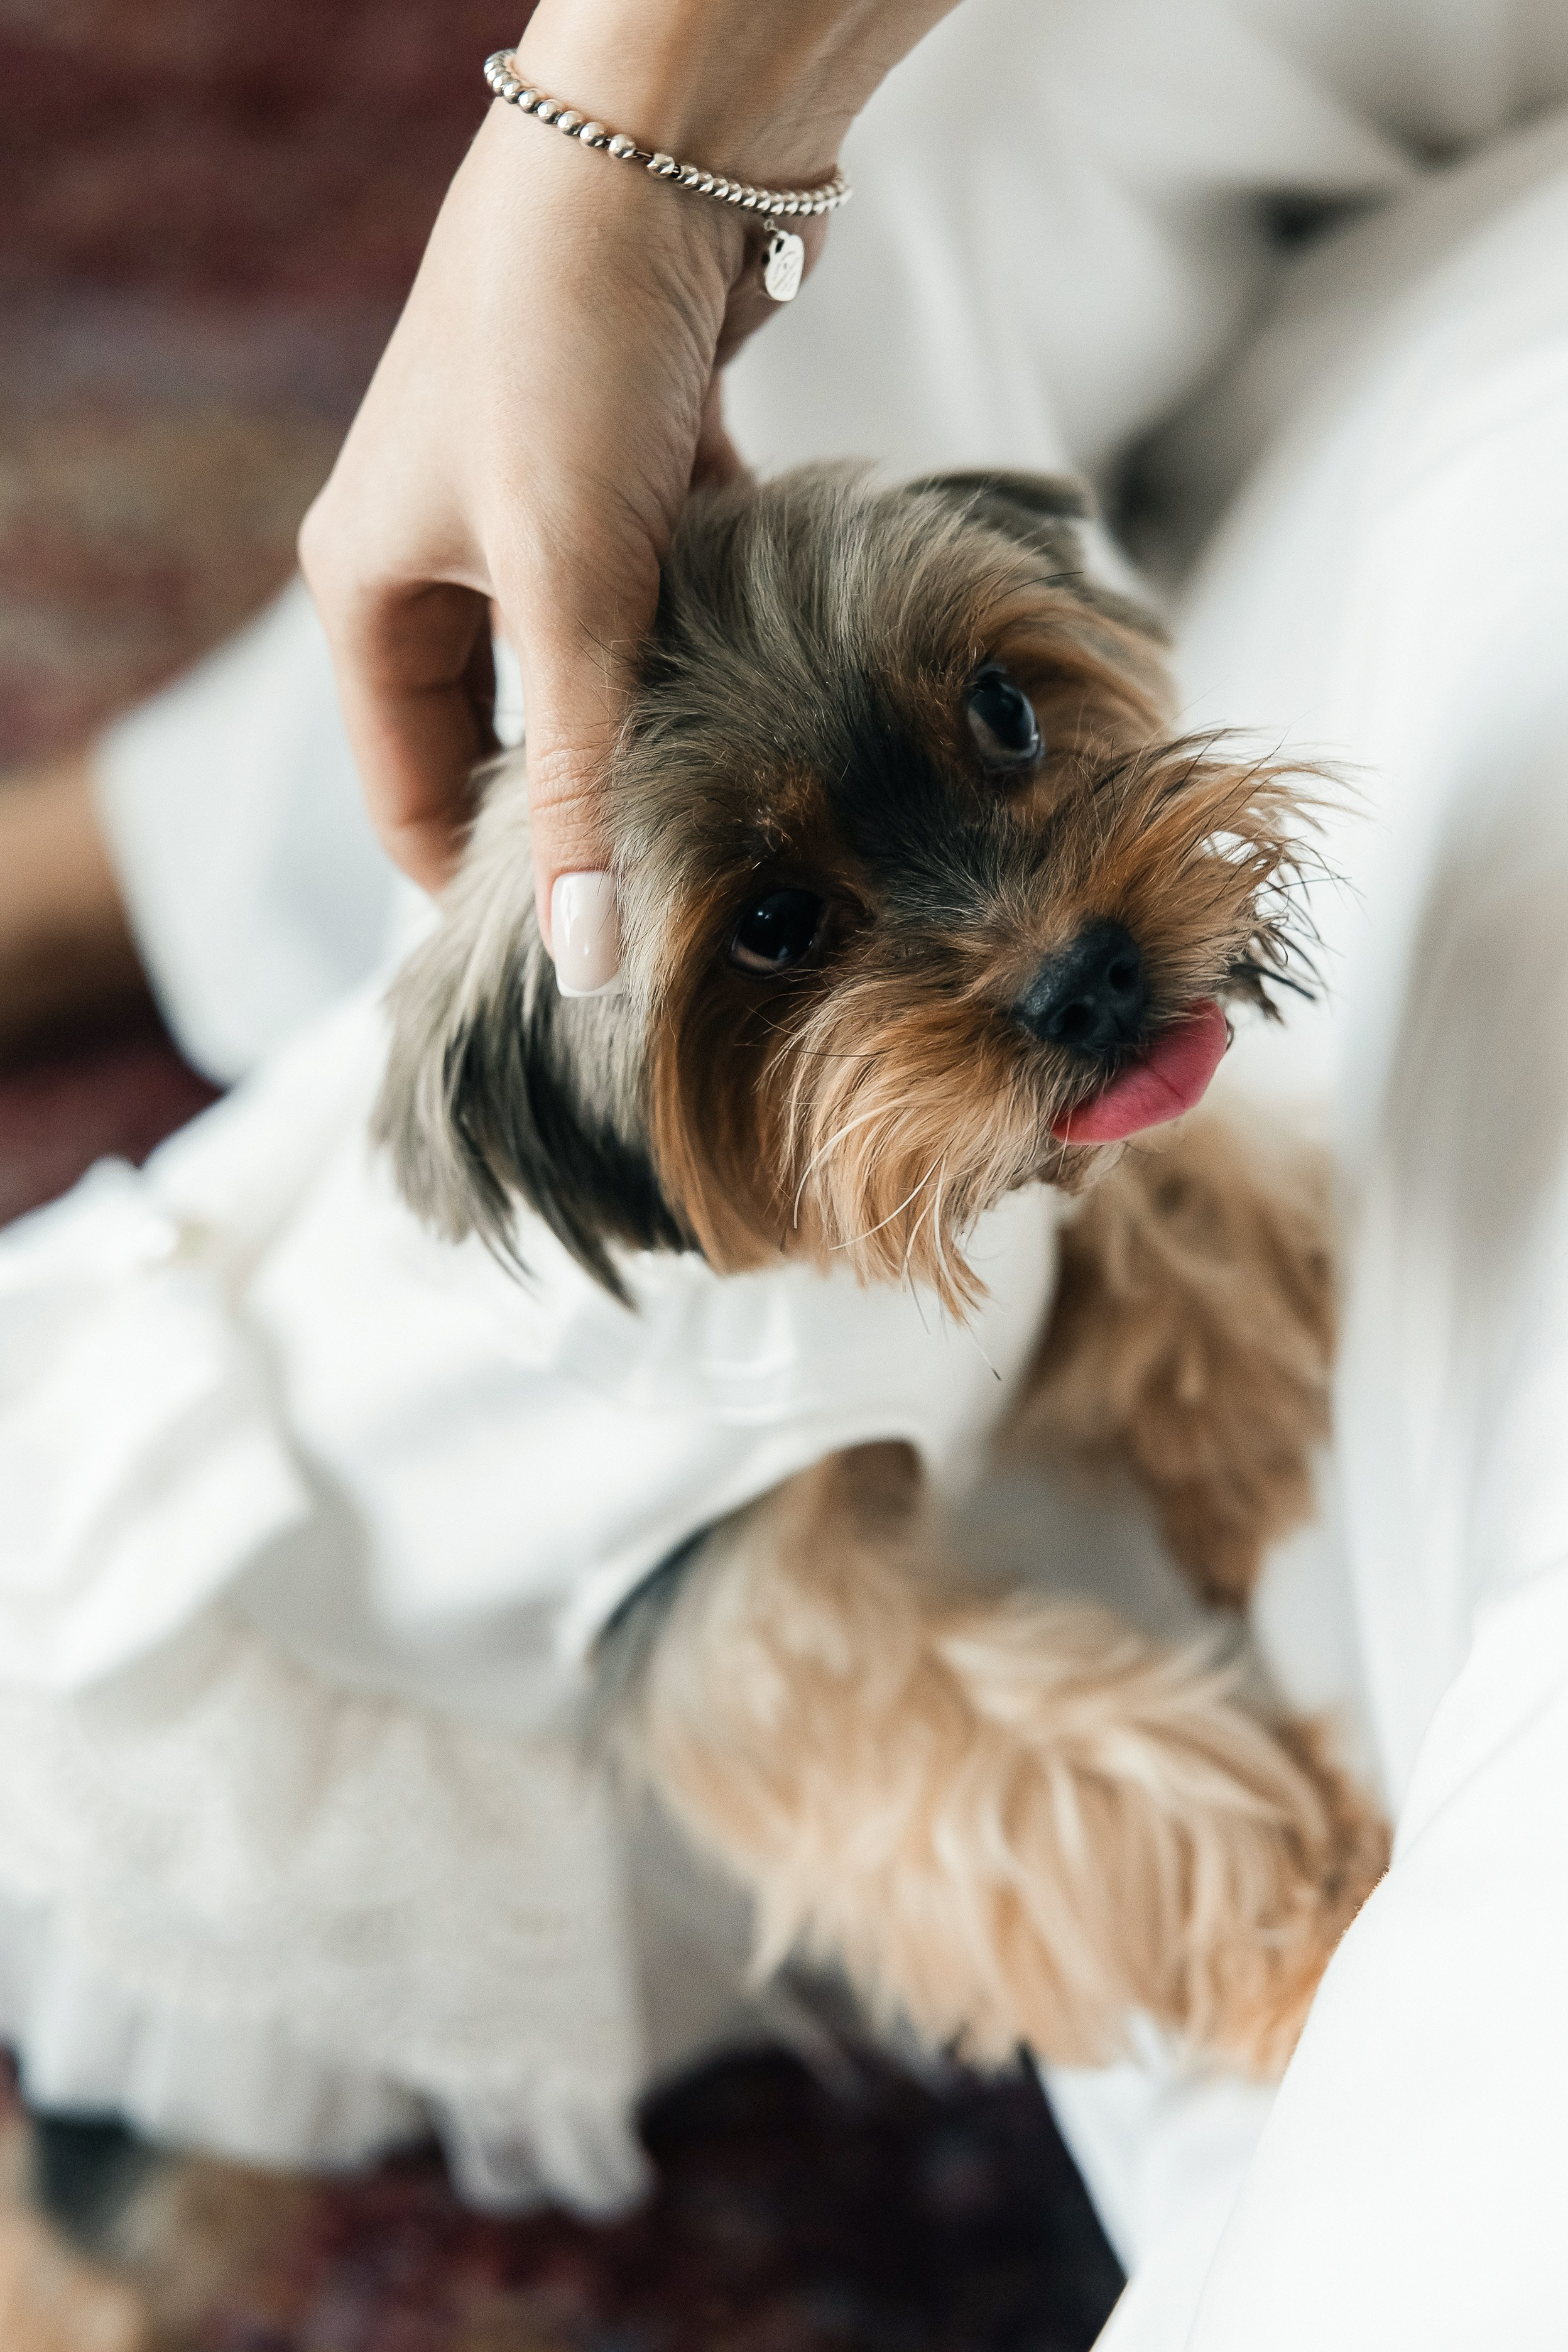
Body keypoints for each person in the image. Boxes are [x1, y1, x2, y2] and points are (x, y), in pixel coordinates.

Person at [6, 3, 1568, 2344]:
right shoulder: (636, 1350)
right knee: (153, 2215)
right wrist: (1263, 1914)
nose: (1044, 941)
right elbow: (877, 1752)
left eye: (1009, 724)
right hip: (271, 1686)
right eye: (784, 929)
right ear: (597, 1099)